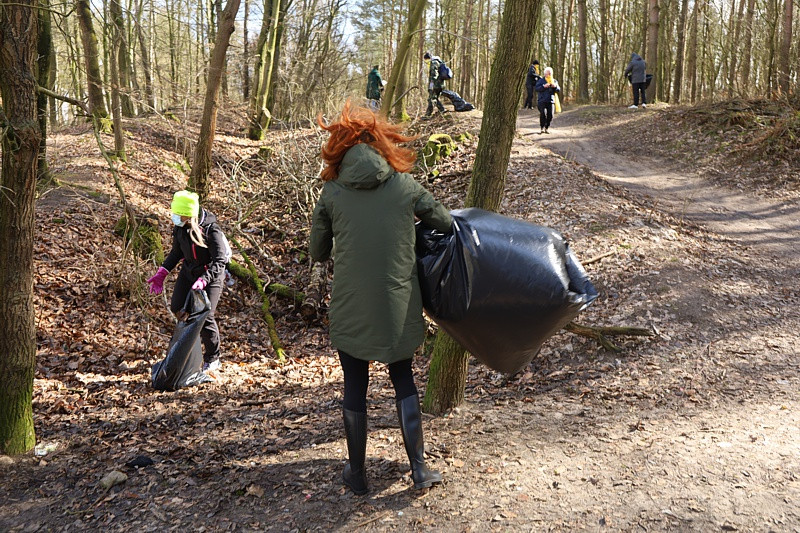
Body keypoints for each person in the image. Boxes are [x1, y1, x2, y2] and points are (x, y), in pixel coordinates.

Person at [310, 101, 452, 495]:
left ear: (339, 149)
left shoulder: (332, 194)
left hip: (351, 307)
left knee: (354, 386)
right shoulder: (404, 185)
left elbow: (318, 251)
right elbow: (445, 222)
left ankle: (357, 475)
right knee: (402, 378)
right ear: (381, 145)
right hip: (398, 304)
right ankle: (420, 470)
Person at [147, 190, 228, 372]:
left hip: (211, 275)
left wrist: (204, 280)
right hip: (189, 271)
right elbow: (177, 253)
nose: (174, 216)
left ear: (188, 213)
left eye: (177, 213)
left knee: (205, 314)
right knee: (177, 307)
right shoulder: (180, 228)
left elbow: (220, 261)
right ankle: (190, 350)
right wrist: (163, 272)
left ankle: (213, 358)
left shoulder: (211, 230)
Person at [535, 67, 561, 134]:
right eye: (547, 73)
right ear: (544, 74)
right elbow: (536, 88)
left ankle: (547, 127)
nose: (548, 75)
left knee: (551, 115)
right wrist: (544, 86)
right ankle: (542, 127)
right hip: (542, 100)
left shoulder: (554, 81)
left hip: (551, 100)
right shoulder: (541, 80)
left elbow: (558, 89)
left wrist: (555, 86)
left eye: (550, 73)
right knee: (543, 113)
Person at [423, 51, 446, 117]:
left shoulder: (434, 63)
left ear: (428, 58)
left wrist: (431, 86)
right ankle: (441, 110)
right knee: (434, 98)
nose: (426, 62)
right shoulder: (438, 62)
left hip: (436, 84)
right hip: (440, 84)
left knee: (431, 98)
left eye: (426, 60)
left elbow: (434, 75)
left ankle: (428, 115)